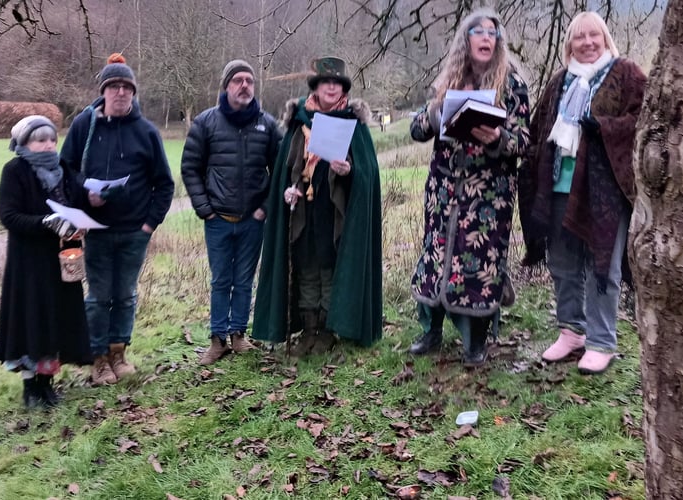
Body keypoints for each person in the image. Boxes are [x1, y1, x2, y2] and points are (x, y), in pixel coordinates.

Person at [519, 12, 646, 374]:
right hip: (558, 186)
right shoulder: (561, 80)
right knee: (562, 263)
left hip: (603, 192)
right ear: (569, 44)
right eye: (580, 37)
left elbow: (645, 118)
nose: (588, 43)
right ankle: (571, 329)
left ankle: (602, 341)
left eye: (595, 36)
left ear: (605, 38)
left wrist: (604, 126)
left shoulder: (626, 73)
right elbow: (540, 124)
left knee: (601, 265)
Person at [408, 8, 530, 367]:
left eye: (493, 33)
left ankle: (476, 342)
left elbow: (524, 141)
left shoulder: (512, 84)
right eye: (479, 31)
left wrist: (497, 137)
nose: (487, 37)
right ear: (467, 39)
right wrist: (435, 113)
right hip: (445, 191)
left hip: (488, 196)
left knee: (479, 265)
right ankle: (431, 332)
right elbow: (417, 129)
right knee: (435, 260)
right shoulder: (450, 79)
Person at [253, 56, 382, 355]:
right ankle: (308, 330)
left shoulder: (353, 122)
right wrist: (290, 190)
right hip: (304, 212)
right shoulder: (299, 122)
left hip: (336, 213)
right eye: (326, 82)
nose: (332, 88)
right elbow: (289, 168)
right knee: (306, 267)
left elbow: (368, 173)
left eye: (337, 83)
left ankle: (326, 330)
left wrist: (349, 171)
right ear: (317, 87)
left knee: (328, 268)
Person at [60, 53, 174, 385]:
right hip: (95, 230)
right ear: (104, 91)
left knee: (125, 294)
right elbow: (66, 170)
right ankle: (98, 359)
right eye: (114, 86)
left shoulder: (146, 132)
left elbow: (164, 183)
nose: (121, 92)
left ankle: (118, 353)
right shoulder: (85, 125)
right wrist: (84, 195)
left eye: (127, 87)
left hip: (133, 231)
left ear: (133, 93)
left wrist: (149, 225)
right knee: (98, 296)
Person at [181, 59, 282, 365]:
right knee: (220, 280)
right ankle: (217, 339)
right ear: (226, 86)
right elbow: (190, 169)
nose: (244, 86)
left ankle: (239, 335)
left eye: (249, 81)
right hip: (218, 220)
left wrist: (265, 209)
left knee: (245, 279)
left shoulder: (268, 124)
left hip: (253, 220)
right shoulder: (205, 123)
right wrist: (205, 210)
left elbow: (279, 171)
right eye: (237, 80)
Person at [0, 115, 92, 408]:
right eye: (40, 140)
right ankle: (30, 388)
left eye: (52, 139)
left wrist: (82, 217)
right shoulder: (15, 171)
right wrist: (46, 222)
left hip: (61, 259)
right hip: (28, 264)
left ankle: (47, 385)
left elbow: (77, 203)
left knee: (55, 319)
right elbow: (9, 216)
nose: (49, 145)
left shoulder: (63, 169)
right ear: (24, 143)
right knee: (32, 321)